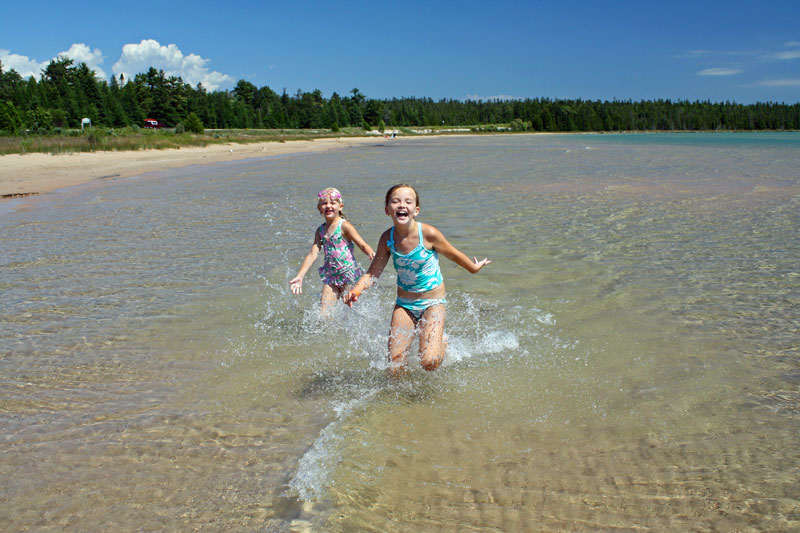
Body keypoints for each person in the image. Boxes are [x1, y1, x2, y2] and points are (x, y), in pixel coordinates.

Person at [344, 184, 490, 374]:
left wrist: (473, 268)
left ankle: (441, 344)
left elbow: (453, 254)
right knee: (394, 367)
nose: (402, 205)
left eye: (408, 201)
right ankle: (402, 401)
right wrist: (356, 290)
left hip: (433, 303)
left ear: (416, 210)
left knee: (429, 362)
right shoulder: (387, 239)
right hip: (404, 305)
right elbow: (373, 273)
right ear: (387, 210)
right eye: (395, 201)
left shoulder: (428, 234)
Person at [290, 188, 375, 315]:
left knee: (350, 313)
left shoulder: (344, 226)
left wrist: (371, 253)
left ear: (340, 207)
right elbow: (313, 254)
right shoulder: (320, 231)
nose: (328, 206)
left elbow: (361, 244)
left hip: (349, 277)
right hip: (331, 278)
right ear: (319, 208)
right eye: (324, 203)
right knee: (324, 313)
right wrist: (300, 276)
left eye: (333, 203)